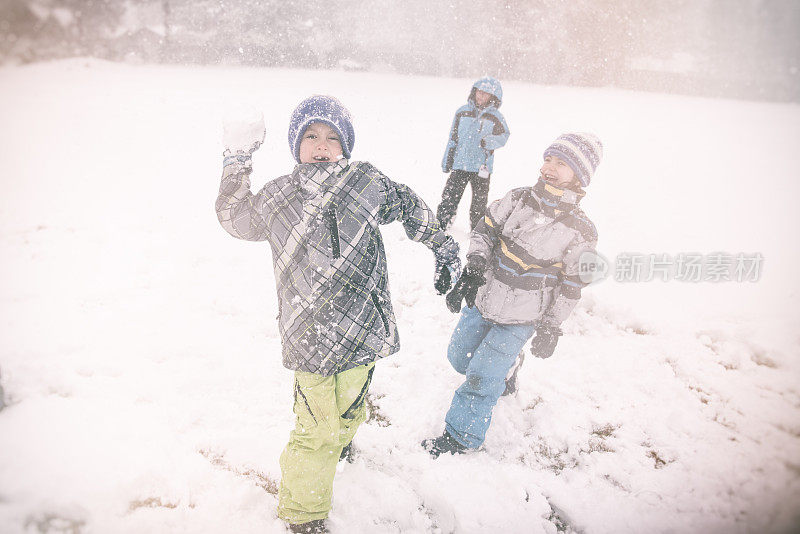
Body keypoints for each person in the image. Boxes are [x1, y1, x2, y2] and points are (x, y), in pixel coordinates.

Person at [215, 95, 460, 533]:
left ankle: (342, 443)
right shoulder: (280, 196)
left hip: (363, 329)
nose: (322, 144)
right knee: (314, 431)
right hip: (307, 335)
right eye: (311, 135)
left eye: (332, 136)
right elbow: (235, 218)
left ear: (346, 145)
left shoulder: (366, 182)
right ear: (296, 145)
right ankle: (303, 515)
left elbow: (409, 206)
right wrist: (236, 161)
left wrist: (442, 246)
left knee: (349, 412)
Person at [423, 132, 603, 458]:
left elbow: (572, 285)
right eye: (548, 158)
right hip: (485, 297)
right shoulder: (519, 198)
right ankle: (508, 368)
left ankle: (460, 437)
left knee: (481, 376)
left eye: (561, 163)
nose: (550, 167)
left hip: (521, 318)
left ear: (579, 174)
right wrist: (475, 265)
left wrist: (551, 325)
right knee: (459, 357)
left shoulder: (581, 230)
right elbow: (486, 229)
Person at [437, 76, 510, 231]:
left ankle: (477, 229)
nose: (481, 96)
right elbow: (453, 138)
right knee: (449, 197)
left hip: (481, 168)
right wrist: (447, 161)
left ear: (493, 96)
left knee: (479, 203)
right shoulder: (462, 112)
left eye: (485, 93)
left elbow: (504, 136)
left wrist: (489, 142)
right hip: (460, 164)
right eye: (479, 92)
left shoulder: (496, 117)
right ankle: (443, 222)